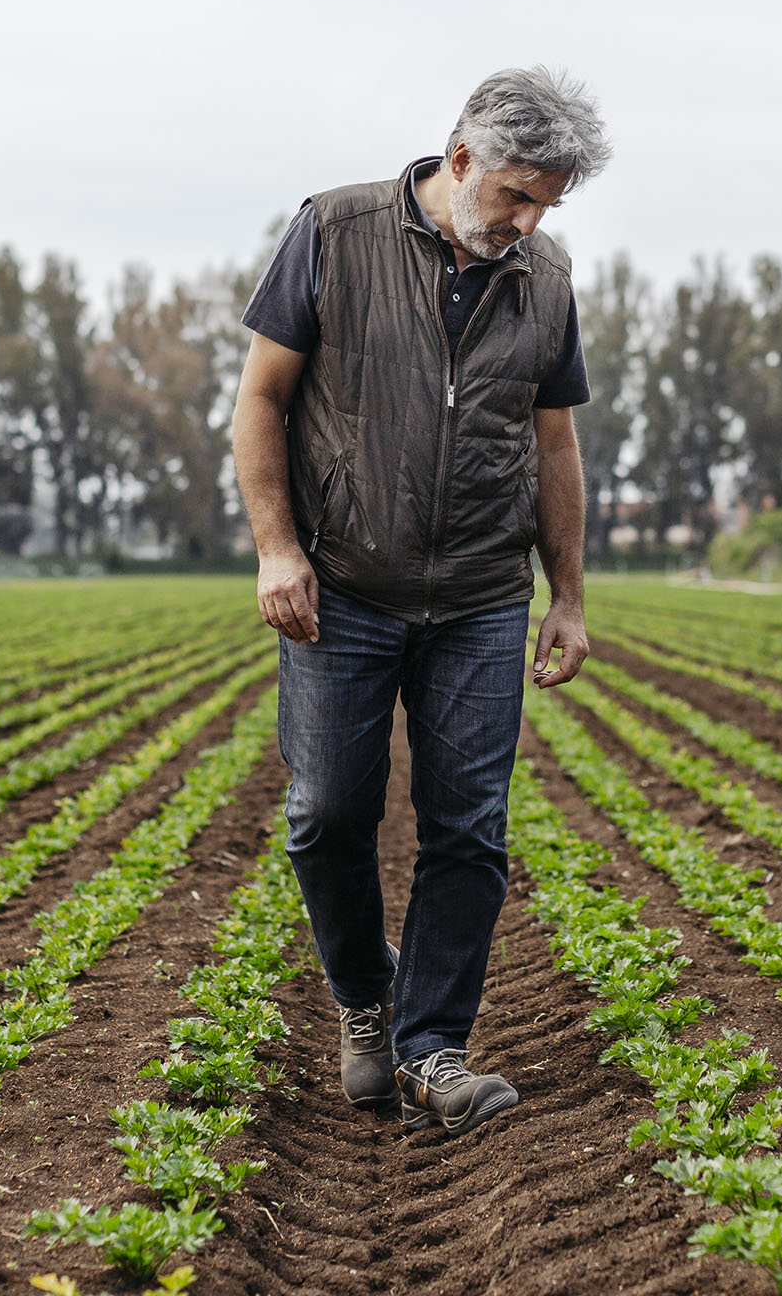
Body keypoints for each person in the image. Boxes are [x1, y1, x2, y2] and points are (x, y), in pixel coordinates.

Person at [231, 66, 608, 1139]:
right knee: (326, 815)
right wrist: (275, 549)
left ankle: (433, 1047)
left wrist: (566, 596)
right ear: (460, 162)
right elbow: (261, 397)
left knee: (467, 831)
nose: (528, 223)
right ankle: (365, 994)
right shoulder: (335, 231)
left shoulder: (544, 280)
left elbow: (553, 443)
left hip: (482, 595)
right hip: (343, 587)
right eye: (516, 198)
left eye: (548, 205)